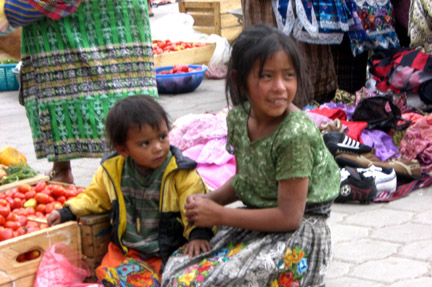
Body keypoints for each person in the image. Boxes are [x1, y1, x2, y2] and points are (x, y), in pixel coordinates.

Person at [161, 24, 341, 287]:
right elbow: (248, 179)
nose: (279, 87)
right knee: (177, 268)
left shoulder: (295, 135)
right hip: (258, 221)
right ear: (238, 81)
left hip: (296, 235)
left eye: (288, 75)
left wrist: (219, 215)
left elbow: (289, 217)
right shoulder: (239, 118)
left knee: (206, 282)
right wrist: (209, 200)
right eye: (266, 76)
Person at [47, 95, 214, 284]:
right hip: (127, 251)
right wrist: (67, 211)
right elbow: (94, 197)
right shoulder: (112, 171)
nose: (158, 147)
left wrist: (199, 234)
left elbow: (198, 205)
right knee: (111, 273)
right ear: (123, 149)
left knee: (183, 276)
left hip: (166, 251)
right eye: (145, 143)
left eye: (162, 137)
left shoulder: (180, 172)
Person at [3, 0, 158, 184]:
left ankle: (136, 174)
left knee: (120, 90)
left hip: (111, 17)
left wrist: (9, 10)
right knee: (55, 84)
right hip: (67, 26)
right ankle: (62, 169)